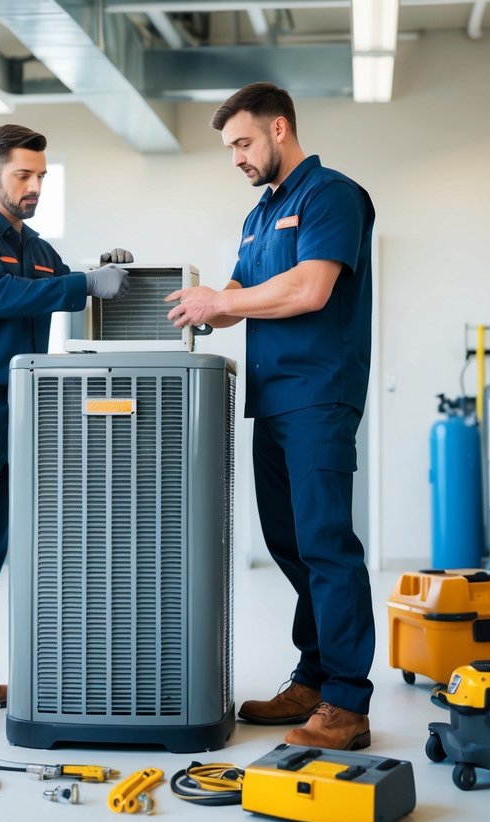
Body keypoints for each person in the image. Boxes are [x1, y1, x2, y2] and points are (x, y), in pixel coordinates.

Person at [166, 82, 376, 750]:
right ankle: (312, 676)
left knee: (325, 546)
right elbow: (234, 293)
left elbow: (310, 289)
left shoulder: (330, 195)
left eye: (241, 143)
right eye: (228, 148)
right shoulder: (260, 214)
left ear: (278, 129)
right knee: (290, 546)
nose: (234, 158)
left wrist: (223, 302)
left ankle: (346, 699)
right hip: (272, 401)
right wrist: (191, 303)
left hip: (318, 395)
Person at [0, 123, 133, 730]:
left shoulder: (35, 247)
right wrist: (83, 283)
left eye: (41, 175)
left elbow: (64, 290)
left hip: (19, 411)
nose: (35, 185)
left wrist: (99, 275)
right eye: (23, 175)